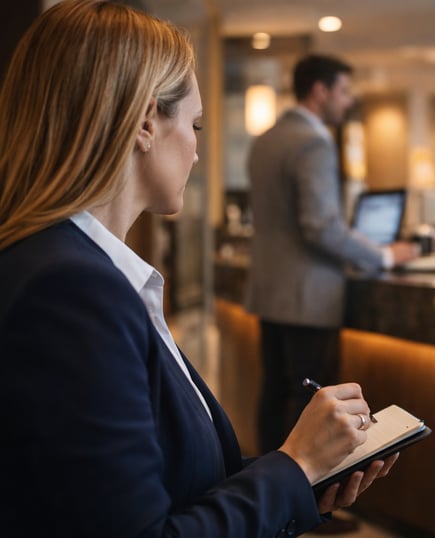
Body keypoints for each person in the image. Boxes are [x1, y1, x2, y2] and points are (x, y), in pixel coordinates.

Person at [0, 2, 396, 536]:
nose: (196, 153)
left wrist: (302, 479)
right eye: (196, 124)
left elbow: (167, 483)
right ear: (144, 123)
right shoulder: (72, 289)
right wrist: (294, 466)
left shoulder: (81, 271)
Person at [244, 54, 417, 455]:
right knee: (310, 407)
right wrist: (385, 257)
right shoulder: (312, 142)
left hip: (270, 292)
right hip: (308, 296)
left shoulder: (266, 139)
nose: (348, 100)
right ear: (319, 91)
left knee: (274, 394)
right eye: (343, 91)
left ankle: (269, 502)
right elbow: (321, 225)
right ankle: (304, 506)